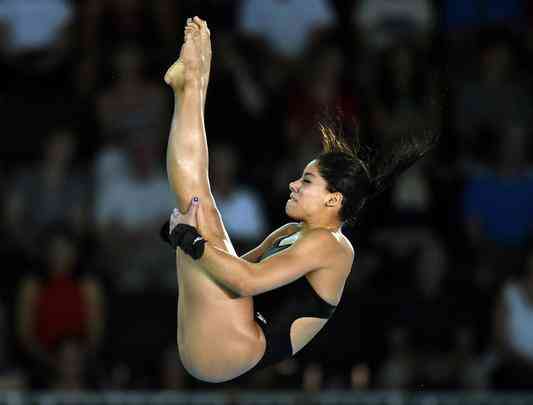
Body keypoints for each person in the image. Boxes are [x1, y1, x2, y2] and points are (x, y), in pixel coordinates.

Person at [162, 17, 436, 383]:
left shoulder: (333, 248)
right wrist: (190, 245)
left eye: (306, 180)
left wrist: (191, 243)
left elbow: (245, 282)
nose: (293, 184)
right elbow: (230, 267)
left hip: (230, 349)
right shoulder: (292, 231)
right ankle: (191, 85)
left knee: (199, 206)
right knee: (200, 209)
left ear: (333, 200)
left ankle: (194, 84)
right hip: (220, 334)